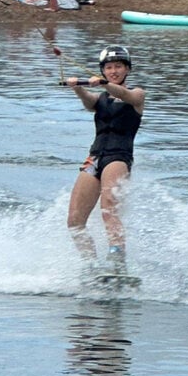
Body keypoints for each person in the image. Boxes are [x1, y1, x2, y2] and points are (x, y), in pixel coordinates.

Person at [64, 45, 145, 274]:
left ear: (127, 69)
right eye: (108, 68)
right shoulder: (100, 99)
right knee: (75, 220)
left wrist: (103, 83)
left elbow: (123, 94)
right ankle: (90, 266)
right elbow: (90, 102)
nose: (113, 71)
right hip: (95, 157)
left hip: (118, 158)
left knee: (109, 209)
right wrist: (77, 87)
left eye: (118, 66)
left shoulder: (137, 95)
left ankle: (118, 263)